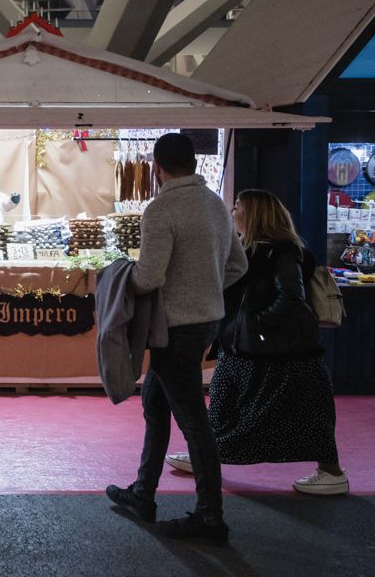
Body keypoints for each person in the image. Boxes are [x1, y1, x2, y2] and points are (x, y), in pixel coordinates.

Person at [105, 133, 247, 544]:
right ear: (195, 163)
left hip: (173, 328)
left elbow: (148, 276)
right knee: (155, 401)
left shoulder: (161, 208)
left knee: (193, 421)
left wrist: (117, 275)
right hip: (205, 322)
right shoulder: (216, 205)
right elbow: (239, 266)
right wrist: (206, 288)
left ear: (157, 168)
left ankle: (210, 517)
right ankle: (143, 493)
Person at [165, 189, 348, 496]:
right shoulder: (247, 249)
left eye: (237, 207)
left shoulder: (282, 251)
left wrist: (258, 325)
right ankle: (205, 453)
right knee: (222, 404)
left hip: (279, 351)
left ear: (254, 215)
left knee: (305, 414)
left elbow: (291, 296)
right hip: (242, 347)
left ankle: (331, 471)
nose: (232, 212)